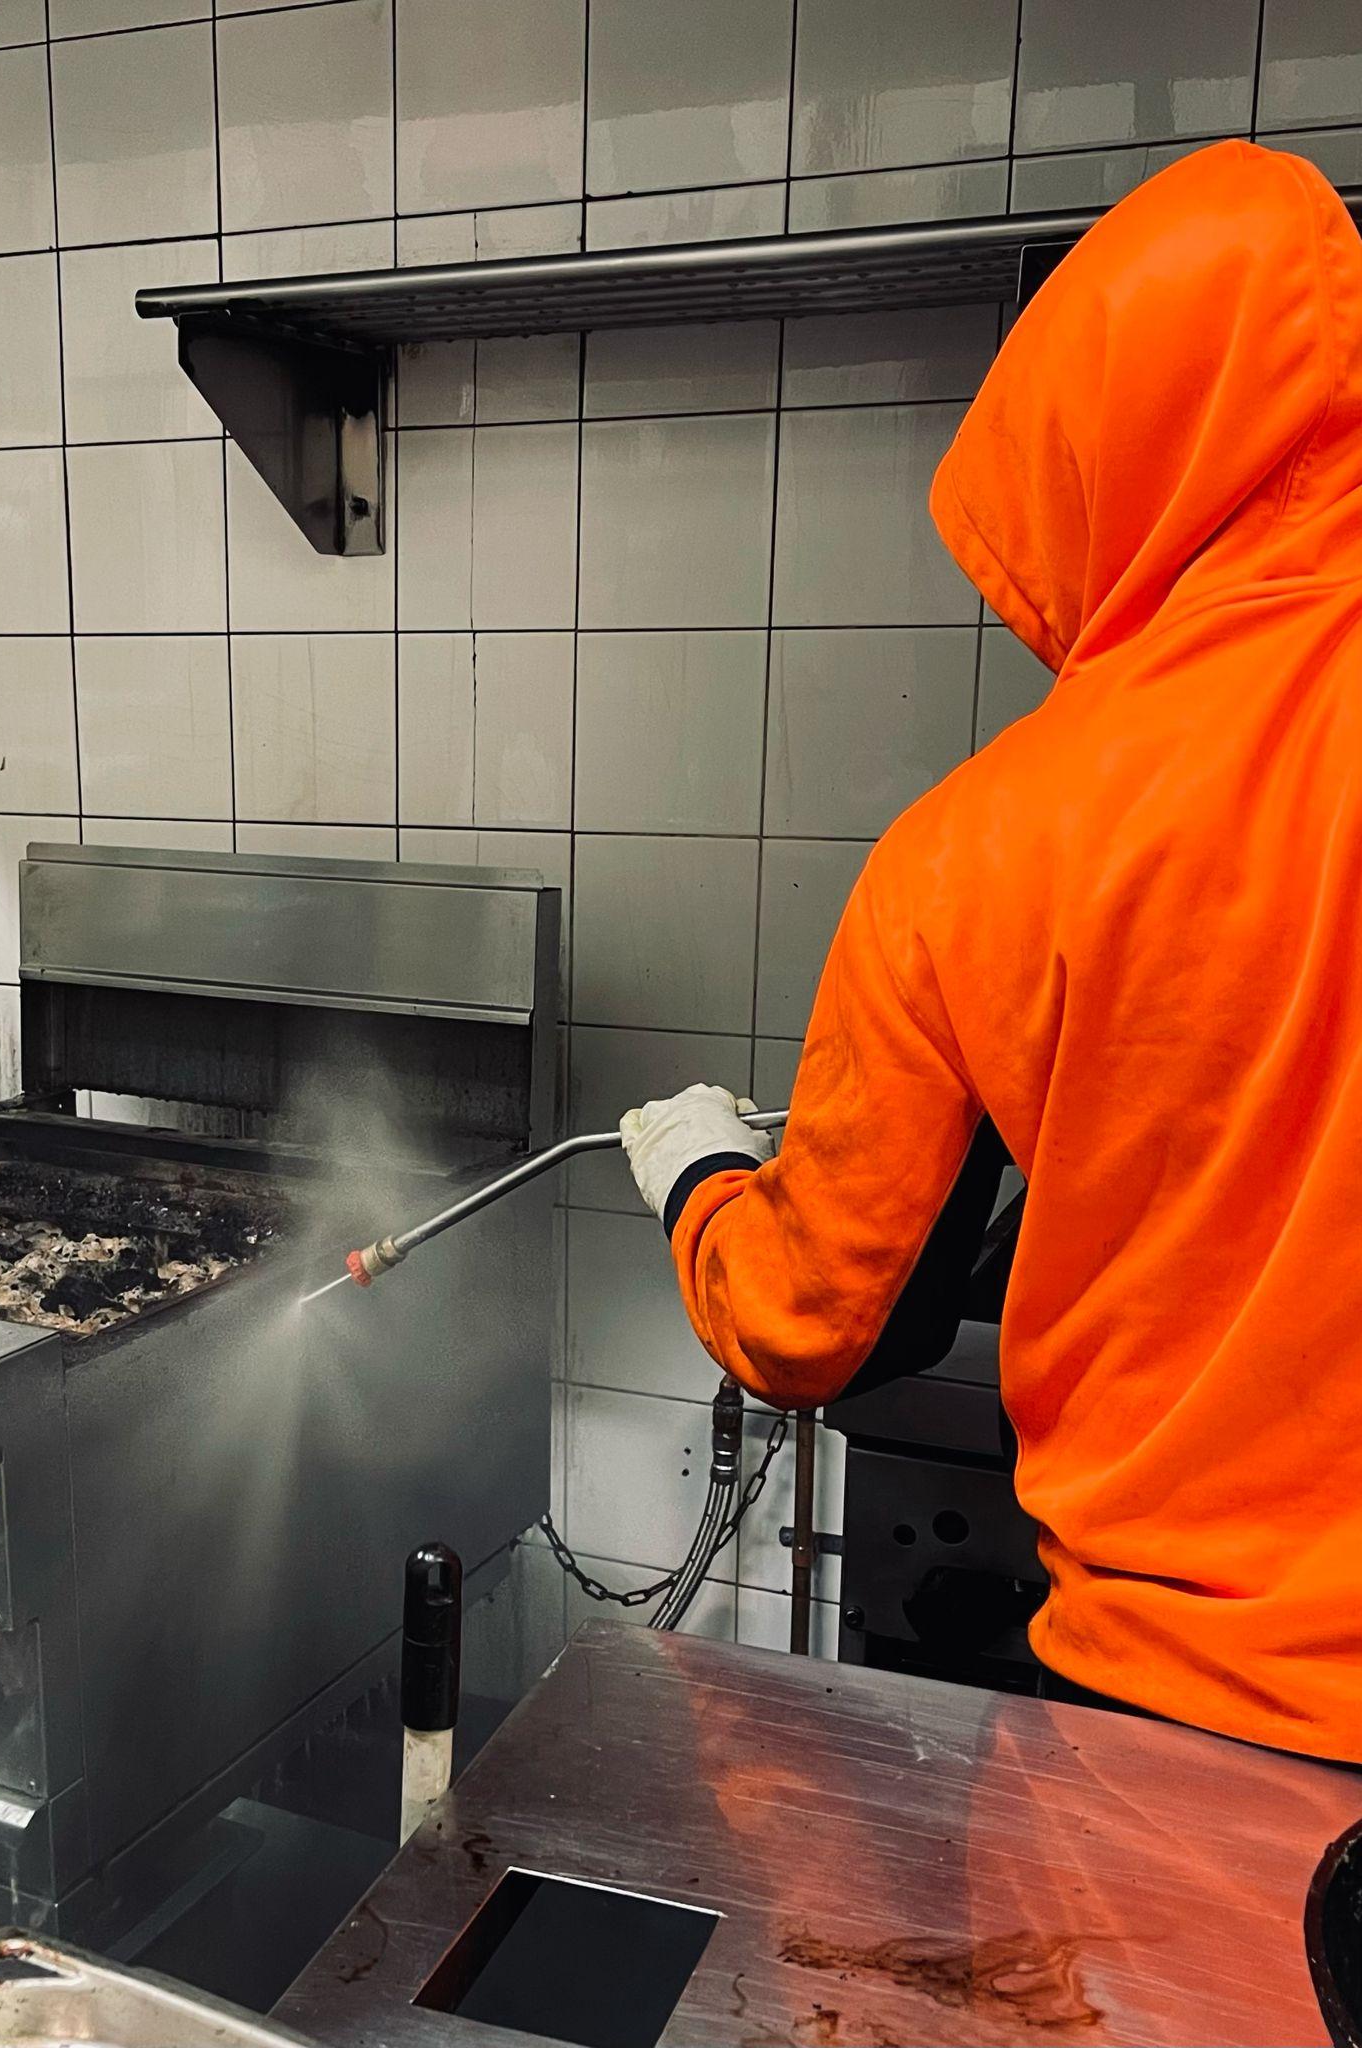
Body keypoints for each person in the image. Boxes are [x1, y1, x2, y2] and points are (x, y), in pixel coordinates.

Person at [619, 139, 1362, 1764]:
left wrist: (698, 1180)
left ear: (1088, 458)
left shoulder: (995, 843)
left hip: (1183, 1717)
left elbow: (823, 1325)